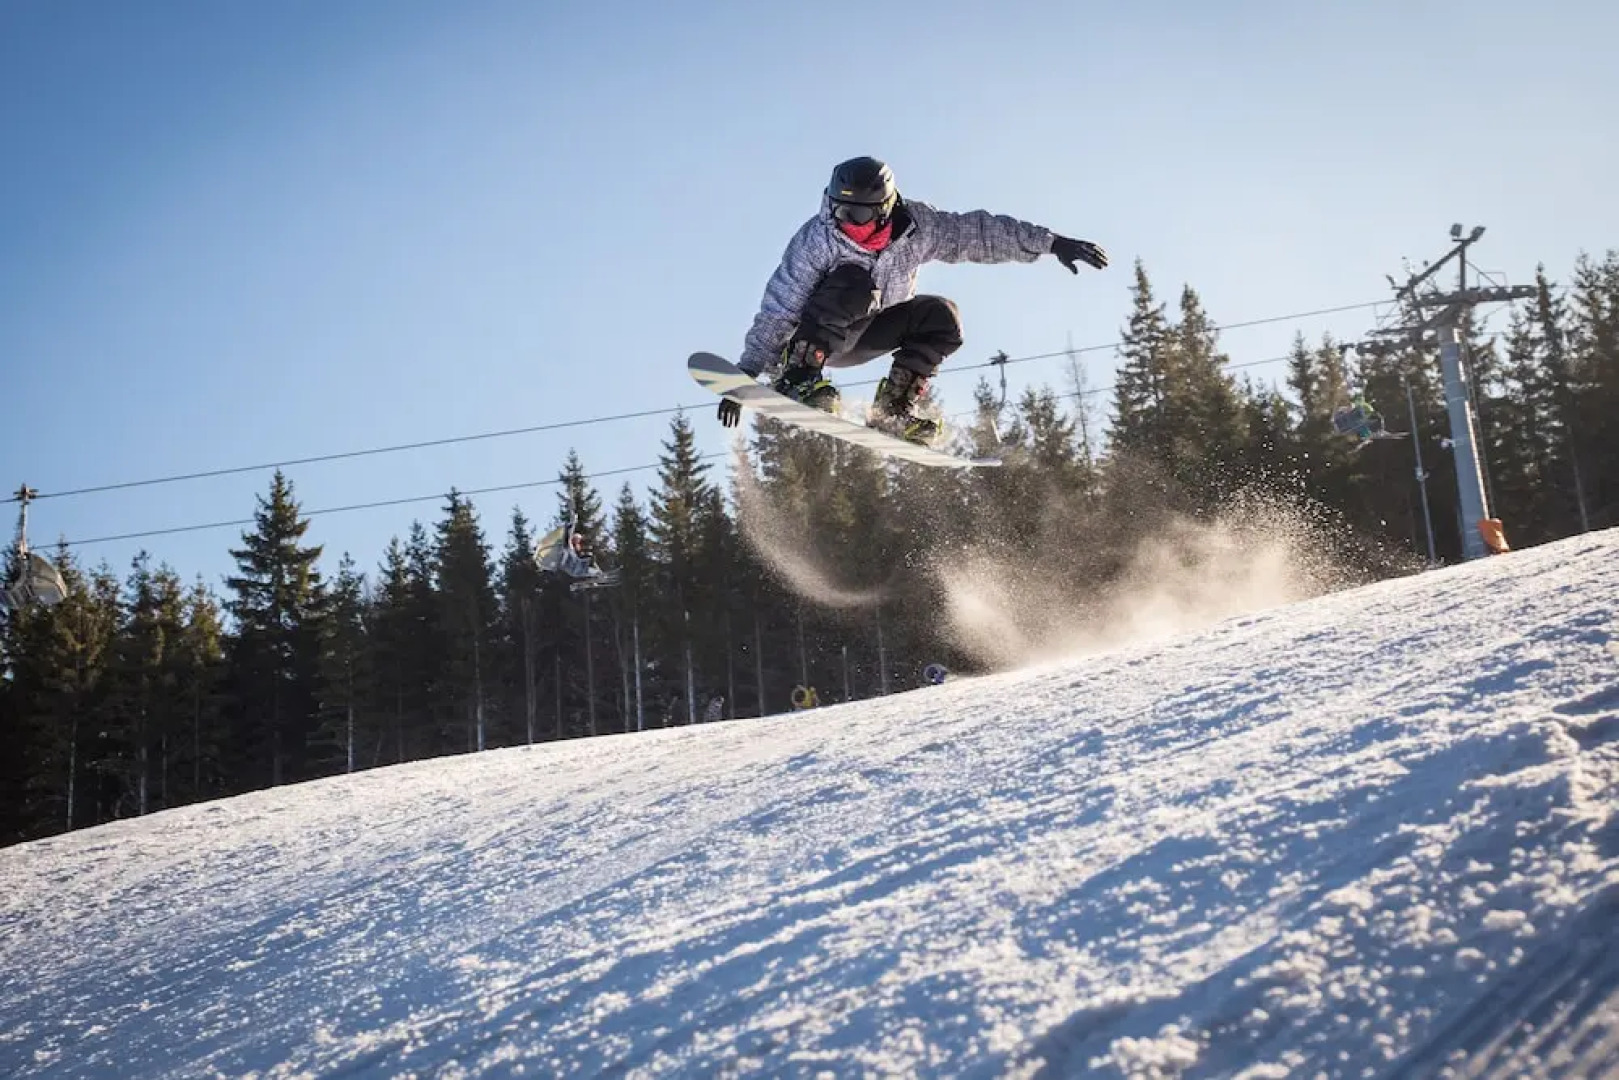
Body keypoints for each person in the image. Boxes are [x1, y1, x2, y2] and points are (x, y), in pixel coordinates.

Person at [718, 156, 1108, 444]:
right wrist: (748, 373)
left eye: (857, 212)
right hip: (818, 334)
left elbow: (980, 234)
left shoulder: (920, 228)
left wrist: (1051, 243)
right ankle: (799, 377)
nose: (847, 221)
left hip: (868, 331)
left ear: (885, 209)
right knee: (854, 281)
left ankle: (893, 409)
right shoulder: (819, 238)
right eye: (839, 208)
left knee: (942, 317)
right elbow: (782, 303)